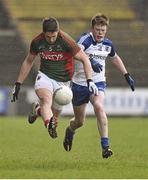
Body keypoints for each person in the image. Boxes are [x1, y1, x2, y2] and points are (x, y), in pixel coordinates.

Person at [11, 17, 98, 139]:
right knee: (46, 101)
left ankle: (37, 111)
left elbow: (84, 59)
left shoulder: (66, 41)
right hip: (45, 76)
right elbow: (28, 61)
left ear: (58, 31)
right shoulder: (37, 41)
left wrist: (89, 80)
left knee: (55, 118)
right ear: (43, 33)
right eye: (48, 37)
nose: (51, 40)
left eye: (54, 36)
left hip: (64, 82)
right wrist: (18, 83)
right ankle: (48, 124)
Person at [63, 13, 135, 158]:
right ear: (92, 28)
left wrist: (126, 75)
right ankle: (70, 130)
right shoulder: (86, 39)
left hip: (98, 81)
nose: (100, 33)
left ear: (106, 30)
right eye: (97, 30)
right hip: (79, 83)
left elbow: (115, 58)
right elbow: (75, 51)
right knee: (79, 121)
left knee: (99, 106)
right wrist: (89, 60)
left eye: (103, 30)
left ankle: (105, 146)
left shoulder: (108, 44)